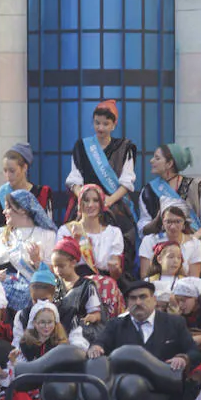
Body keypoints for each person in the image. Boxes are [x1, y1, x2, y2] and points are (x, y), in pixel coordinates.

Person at [87, 281, 201, 400]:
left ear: (154, 300)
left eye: (143, 297)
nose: (138, 302)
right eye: (133, 298)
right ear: (126, 303)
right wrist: (96, 348)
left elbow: (195, 352)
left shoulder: (174, 323)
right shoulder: (116, 325)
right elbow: (100, 343)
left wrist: (184, 358)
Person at [66, 100, 138, 274]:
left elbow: (127, 182)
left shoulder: (125, 147)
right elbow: (74, 180)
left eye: (106, 124)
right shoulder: (82, 147)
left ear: (114, 124)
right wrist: (83, 198)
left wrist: (108, 201)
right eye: (97, 123)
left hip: (114, 203)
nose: (100, 127)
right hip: (86, 203)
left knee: (125, 233)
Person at [0, 191, 58, 310]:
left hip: (33, 295)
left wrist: (37, 261)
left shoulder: (47, 235)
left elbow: (55, 274)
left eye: (8, 207)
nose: (3, 212)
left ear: (22, 209)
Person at [138, 143, 201, 245]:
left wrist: (192, 239)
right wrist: (157, 221)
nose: (151, 161)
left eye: (157, 158)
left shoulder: (195, 186)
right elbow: (143, 229)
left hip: (194, 245)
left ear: (169, 164)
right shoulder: (148, 191)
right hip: (162, 249)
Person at [9, 302, 69, 400]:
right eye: (42, 322)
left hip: (51, 386)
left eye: (50, 322)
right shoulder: (26, 344)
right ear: (34, 323)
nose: (46, 326)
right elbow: (22, 366)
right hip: (30, 385)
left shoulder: (61, 345)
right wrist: (14, 362)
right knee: (20, 396)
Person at [57, 184, 124, 281]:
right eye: (86, 200)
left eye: (95, 200)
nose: (90, 205)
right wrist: (75, 241)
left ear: (101, 204)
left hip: (104, 285)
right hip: (75, 283)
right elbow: (61, 266)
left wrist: (115, 269)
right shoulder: (66, 230)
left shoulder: (114, 233)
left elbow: (116, 276)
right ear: (80, 203)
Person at [0, 143, 55, 231]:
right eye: (5, 171)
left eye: (12, 171)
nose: (8, 175)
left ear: (24, 168)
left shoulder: (42, 194)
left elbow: (48, 227)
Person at [50, 236, 107, 342]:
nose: (57, 270)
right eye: (54, 266)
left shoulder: (87, 286)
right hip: (56, 334)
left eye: (61, 266)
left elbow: (97, 314)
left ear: (73, 263)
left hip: (80, 335)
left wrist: (90, 318)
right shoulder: (54, 285)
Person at [138, 205, 201, 279]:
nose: (173, 226)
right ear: (162, 223)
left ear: (184, 223)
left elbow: (194, 279)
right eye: (168, 222)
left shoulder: (195, 244)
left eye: (178, 221)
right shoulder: (149, 240)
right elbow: (144, 275)